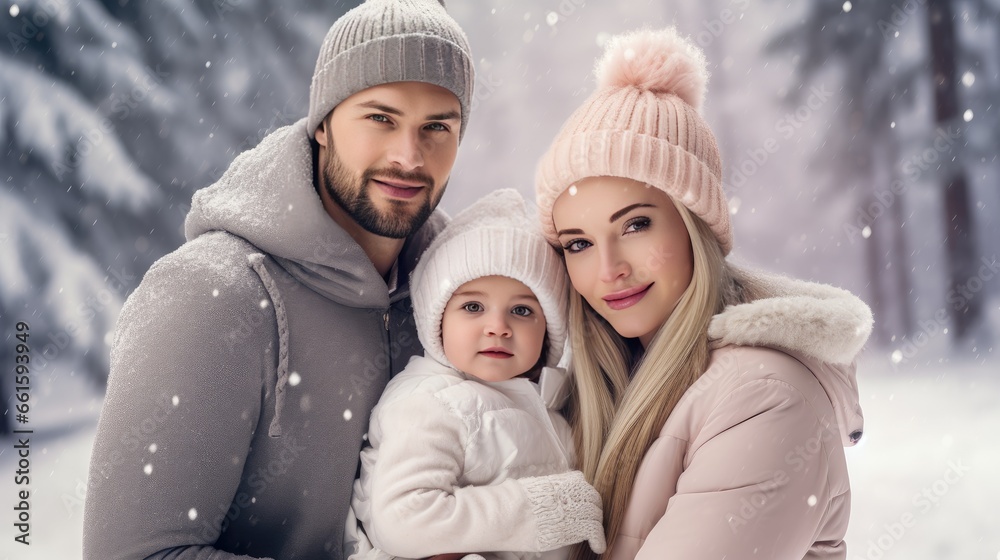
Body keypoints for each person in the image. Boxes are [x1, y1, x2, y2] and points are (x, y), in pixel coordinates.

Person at [83, 1, 474, 558]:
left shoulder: (462, 294)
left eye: (437, 127)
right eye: (380, 118)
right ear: (322, 125)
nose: (408, 156)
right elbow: (134, 554)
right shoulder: (208, 297)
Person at [534, 28, 873, 559]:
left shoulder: (764, 398)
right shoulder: (604, 389)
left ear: (696, 229)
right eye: (578, 242)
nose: (608, 269)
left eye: (636, 225)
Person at [344, 189, 606, 560]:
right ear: (437, 319)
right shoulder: (431, 403)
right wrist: (543, 508)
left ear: (548, 330)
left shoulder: (552, 411)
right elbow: (402, 519)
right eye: (473, 306)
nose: (497, 326)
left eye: (522, 310)